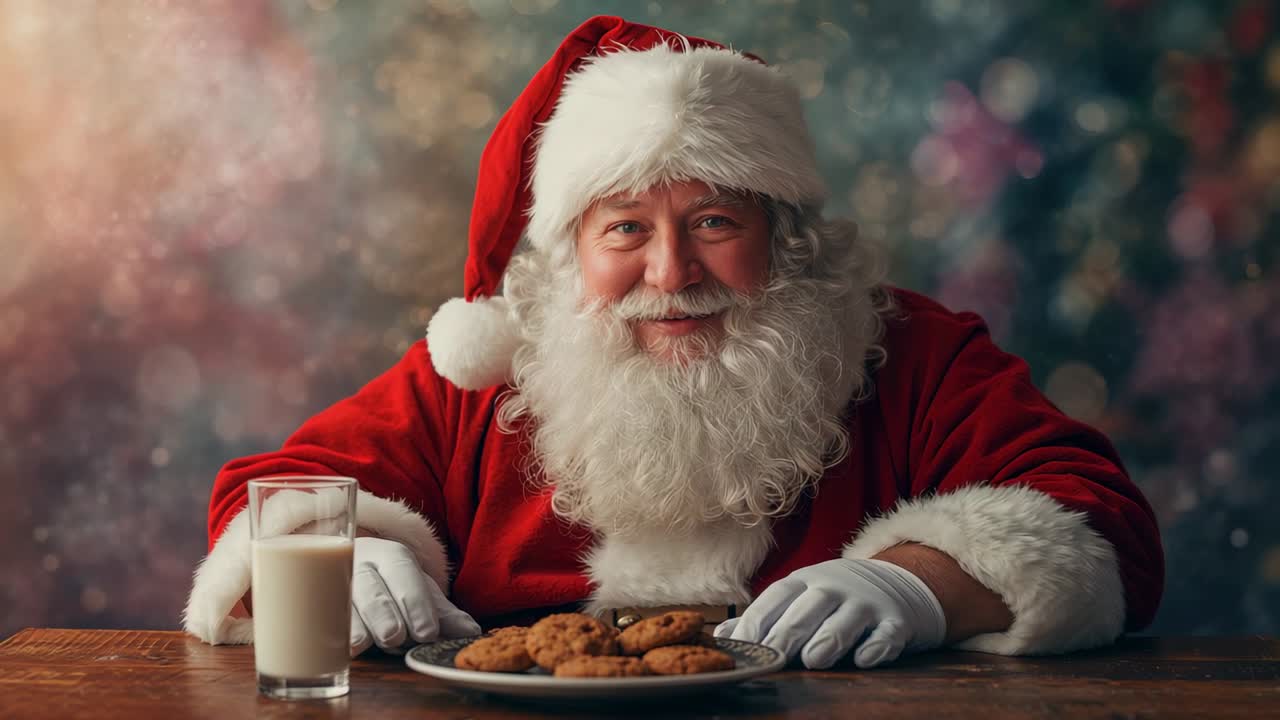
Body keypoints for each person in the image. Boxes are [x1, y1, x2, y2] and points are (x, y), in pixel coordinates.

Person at [184, 16, 1163, 669]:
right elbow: (276, 494)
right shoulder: (482, 374)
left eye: (713, 222)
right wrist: (337, 554)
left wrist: (920, 583)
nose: (670, 272)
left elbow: (1096, 523)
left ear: (783, 235)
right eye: (624, 229)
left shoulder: (911, 352)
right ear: (569, 253)